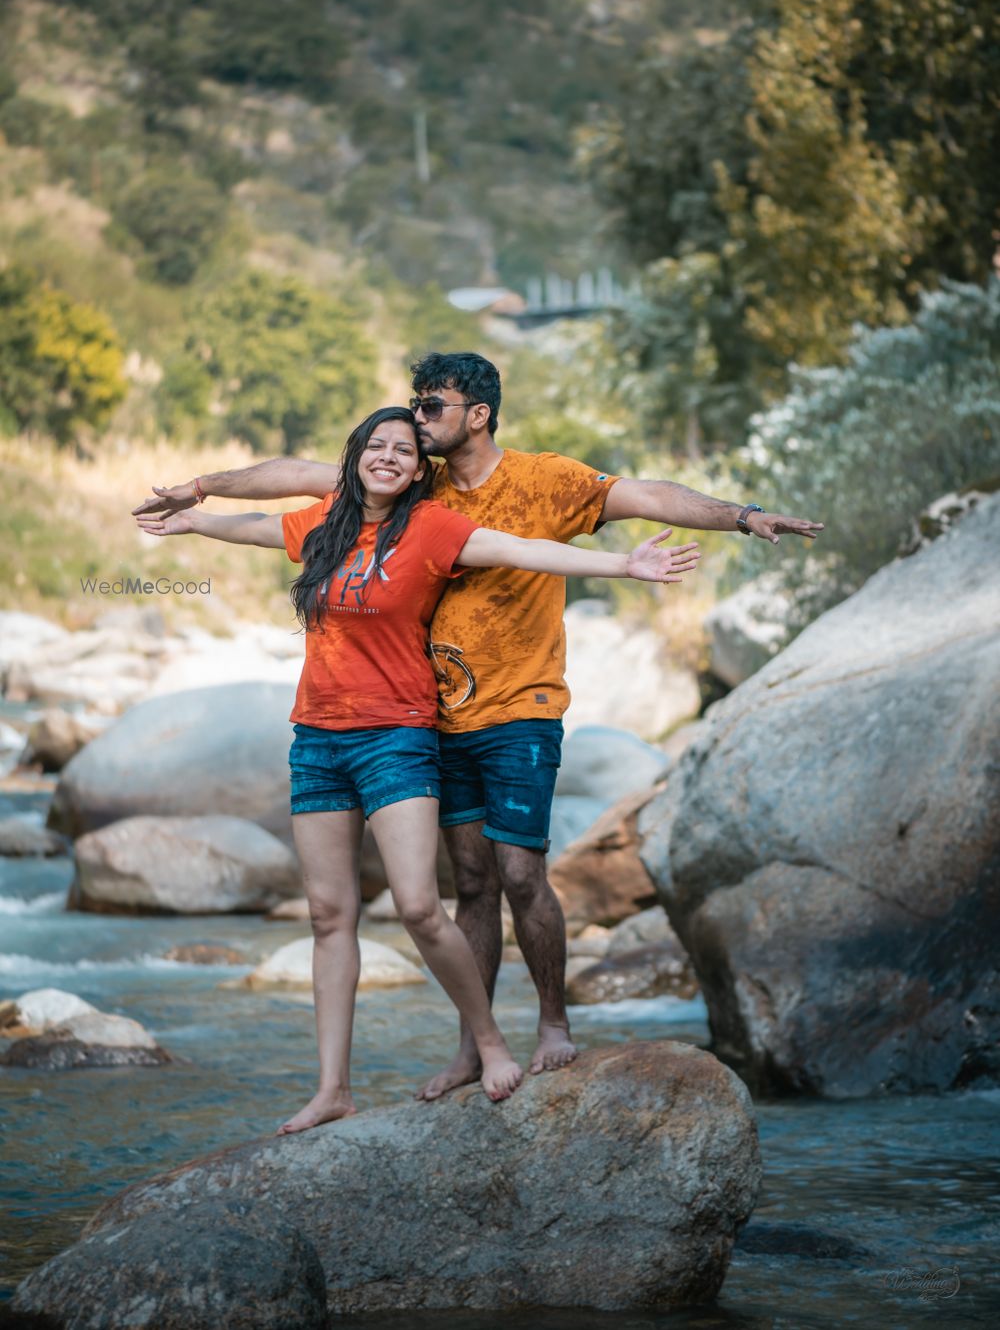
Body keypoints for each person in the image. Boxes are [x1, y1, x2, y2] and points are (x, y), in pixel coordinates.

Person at [133, 355, 822, 1101]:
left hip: (520, 705)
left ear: (478, 413)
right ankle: (474, 1043)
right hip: (436, 715)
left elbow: (646, 495)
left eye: (431, 407)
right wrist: (200, 491)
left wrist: (742, 517)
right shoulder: (409, 481)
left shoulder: (541, 481)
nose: (416, 420)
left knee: (520, 873)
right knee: (469, 882)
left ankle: (552, 1022)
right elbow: (296, 477)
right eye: (413, 409)